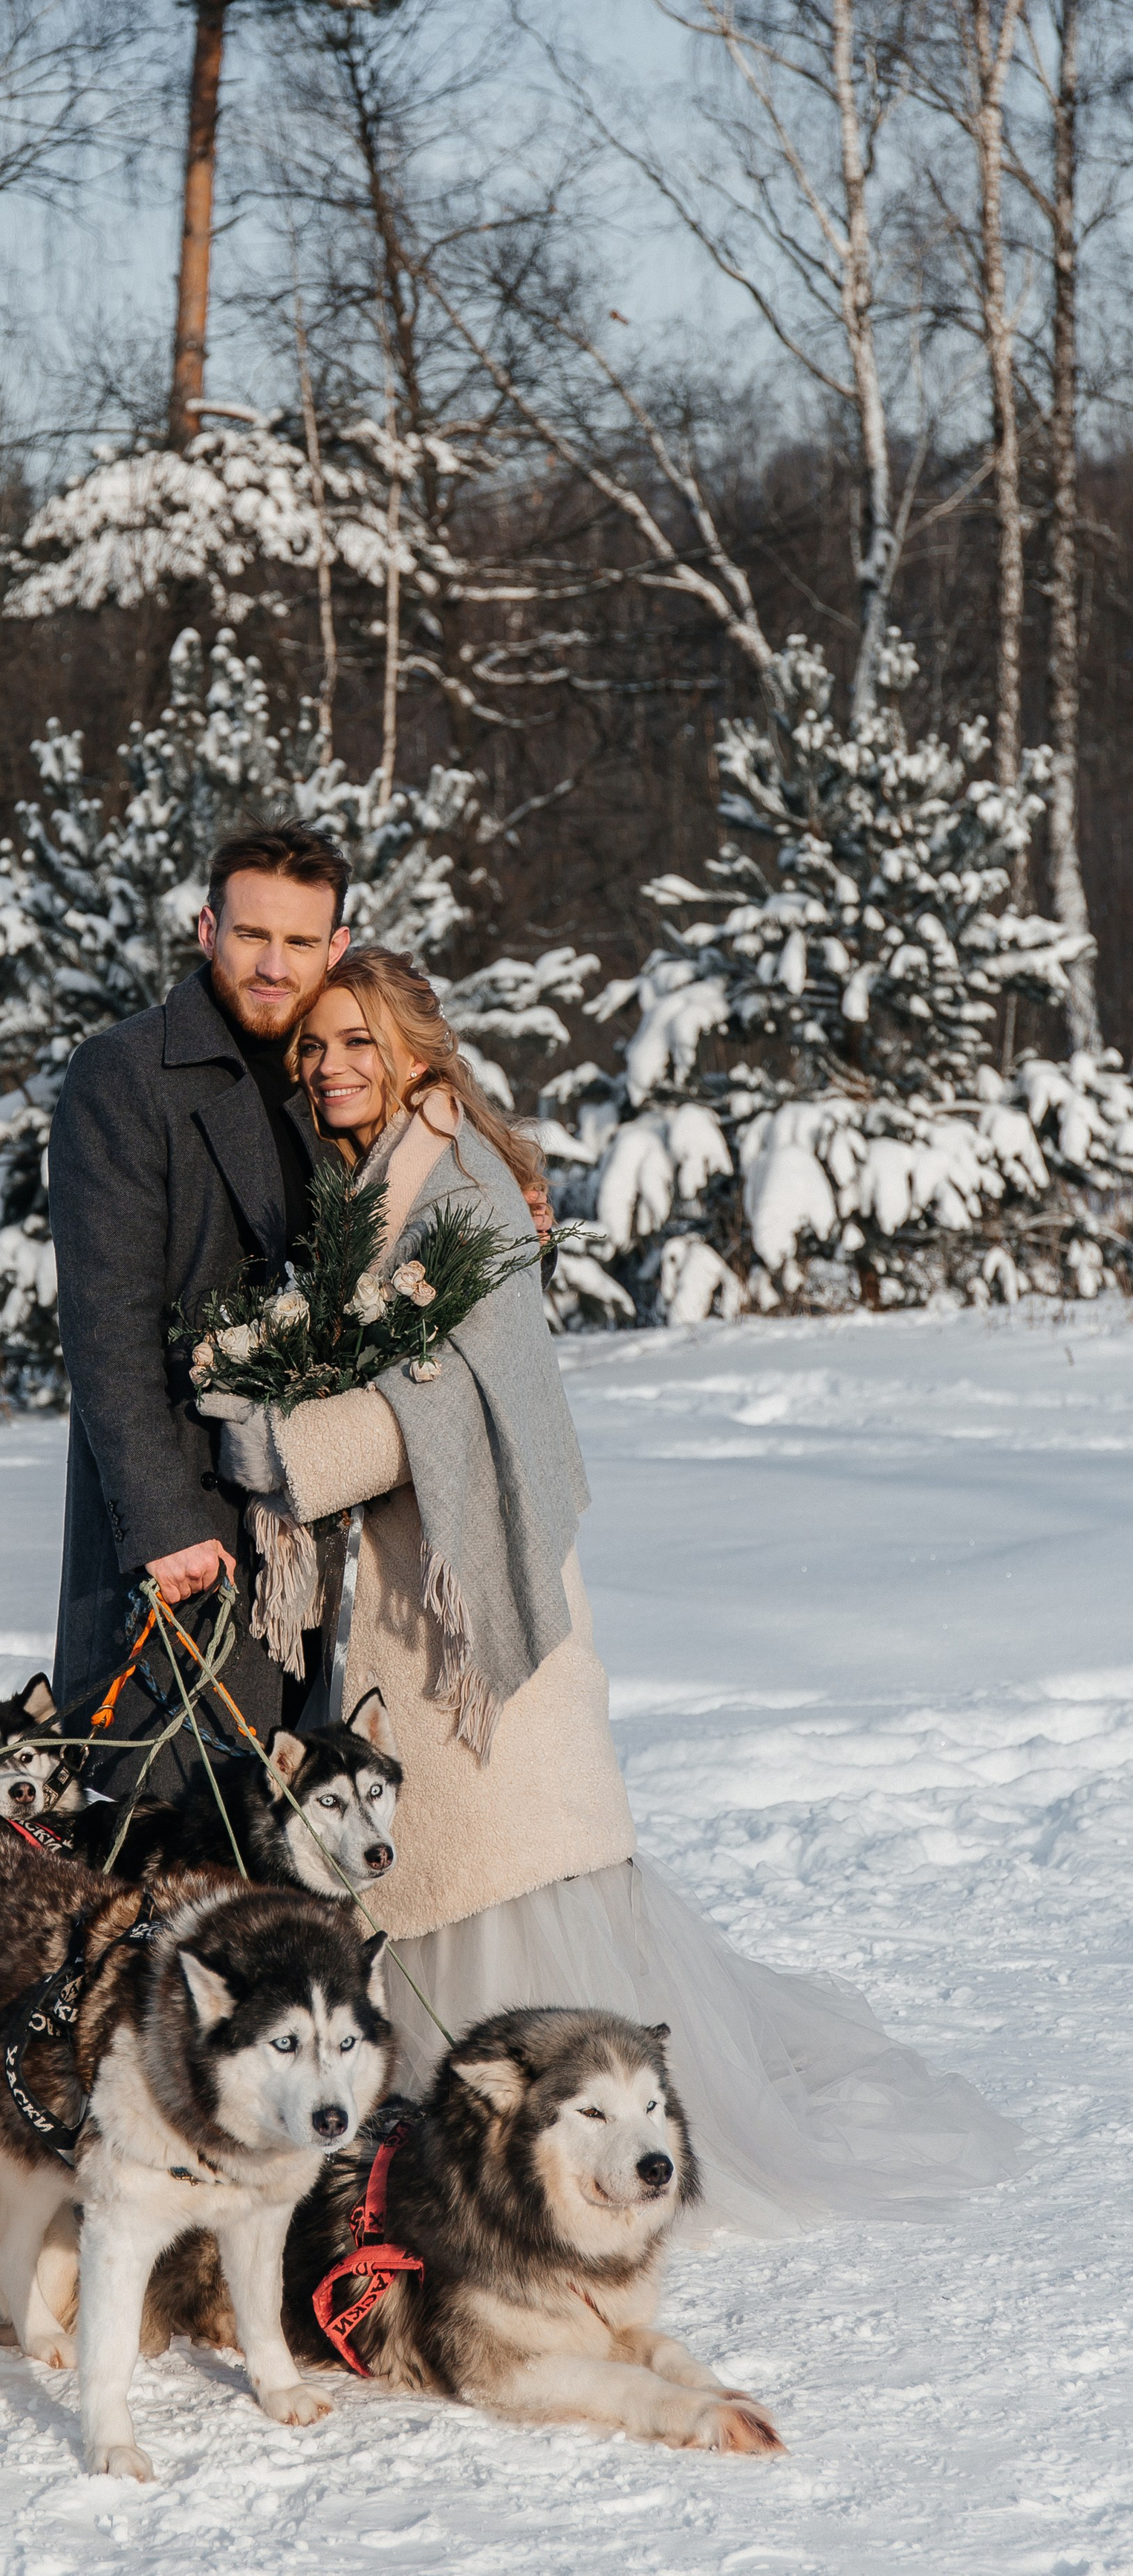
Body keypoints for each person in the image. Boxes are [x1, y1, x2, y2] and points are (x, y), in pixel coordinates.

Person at [210, 945, 1021, 2236]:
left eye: (360, 1041)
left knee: (498, 1870)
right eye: (313, 1045)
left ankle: (534, 2129)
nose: (329, 1065)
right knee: (441, 1862)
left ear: (416, 1050)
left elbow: (453, 1399)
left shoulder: (461, 1183)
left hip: (473, 1604)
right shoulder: (369, 1180)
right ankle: (447, 2130)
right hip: (416, 1596)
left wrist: (282, 1444)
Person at [46, 819, 352, 1753]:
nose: (274, 965)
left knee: (319, 1806)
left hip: (333, 1512)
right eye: (252, 934)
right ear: (206, 929)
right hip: (193, 1514)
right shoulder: (126, 1072)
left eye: (300, 940)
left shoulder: (344, 1071)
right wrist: (160, 1520)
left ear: (336, 948)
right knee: (181, 1802)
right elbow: (106, 1321)